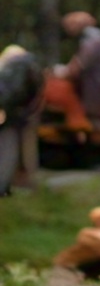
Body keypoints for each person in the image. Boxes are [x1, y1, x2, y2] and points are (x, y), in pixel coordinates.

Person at [0, 44, 43, 195]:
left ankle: (9, 183)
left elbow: (7, 93)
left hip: (11, 114)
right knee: (26, 149)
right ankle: (26, 182)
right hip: (26, 114)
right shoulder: (32, 66)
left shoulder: (12, 67)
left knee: (9, 147)